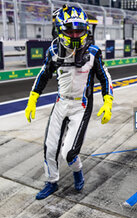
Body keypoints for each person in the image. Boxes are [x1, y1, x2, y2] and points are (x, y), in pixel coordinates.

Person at [24, 5, 114, 200]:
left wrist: (108, 101)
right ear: (59, 29)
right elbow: (43, 75)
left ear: (86, 30)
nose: (74, 34)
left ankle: (77, 170)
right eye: (69, 30)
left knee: (69, 153)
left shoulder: (93, 52)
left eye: (79, 30)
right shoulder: (53, 51)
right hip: (60, 102)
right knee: (50, 147)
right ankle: (51, 182)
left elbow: (105, 77)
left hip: (81, 106)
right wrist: (32, 99)